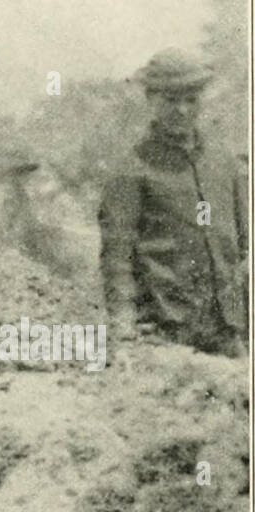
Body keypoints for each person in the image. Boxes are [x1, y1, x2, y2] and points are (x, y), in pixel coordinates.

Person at [98, 49, 248, 355]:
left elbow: (243, 242)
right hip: (167, 332)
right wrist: (124, 325)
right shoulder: (131, 169)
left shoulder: (224, 162)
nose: (181, 110)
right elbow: (117, 256)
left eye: (191, 100)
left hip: (227, 328)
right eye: (170, 100)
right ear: (151, 99)